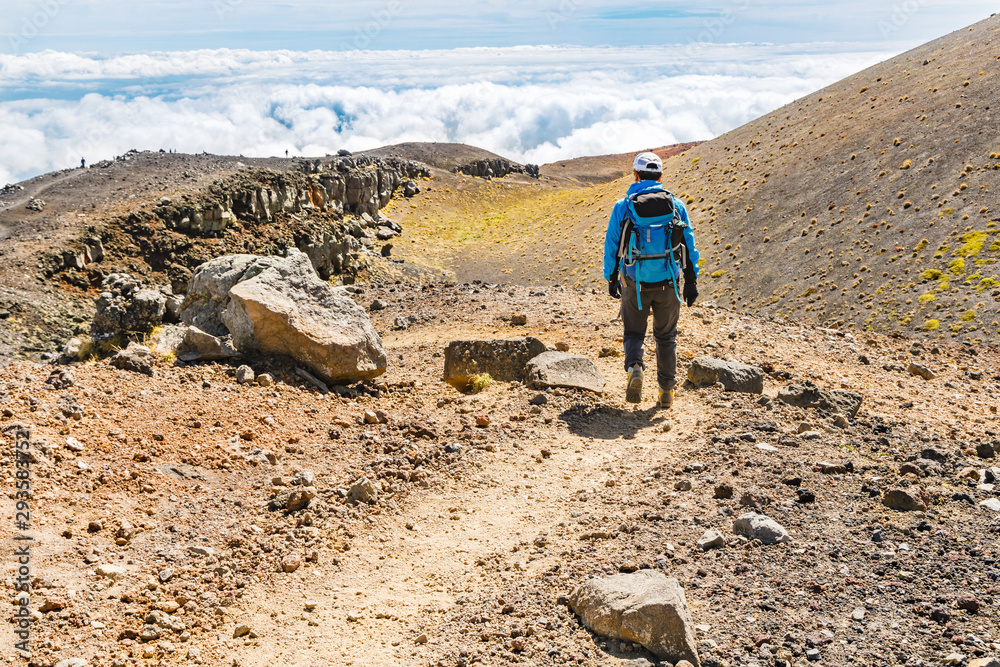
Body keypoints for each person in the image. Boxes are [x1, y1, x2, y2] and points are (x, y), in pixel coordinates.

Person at [603, 152, 699, 408]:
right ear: (660, 177)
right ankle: (666, 392)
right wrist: (691, 280)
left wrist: (611, 278)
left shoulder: (623, 206)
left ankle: (635, 367)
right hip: (668, 282)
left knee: (634, 332)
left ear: (635, 174)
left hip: (634, 282)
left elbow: (612, 245)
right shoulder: (676, 205)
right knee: (666, 337)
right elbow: (689, 245)